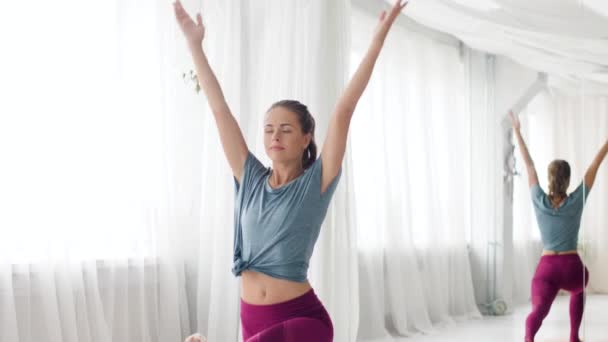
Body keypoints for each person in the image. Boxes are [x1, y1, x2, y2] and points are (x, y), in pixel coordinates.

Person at [172, 0, 408, 340]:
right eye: (268, 129)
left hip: (302, 321)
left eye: (285, 129)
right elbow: (220, 108)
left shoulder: (315, 184)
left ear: (305, 137)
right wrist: (194, 45)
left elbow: (344, 109)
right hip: (253, 320)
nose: (275, 136)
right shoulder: (250, 178)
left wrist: (375, 42)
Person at [510, 110, 608, 342]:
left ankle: (528, 338)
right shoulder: (576, 200)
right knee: (580, 286)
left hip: (548, 268)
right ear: (567, 179)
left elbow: (529, 164)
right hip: (572, 267)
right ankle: (574, 336)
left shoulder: (538, 198)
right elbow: (595, 165)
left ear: (549, 178)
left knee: (539, 311)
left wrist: (517, 131)